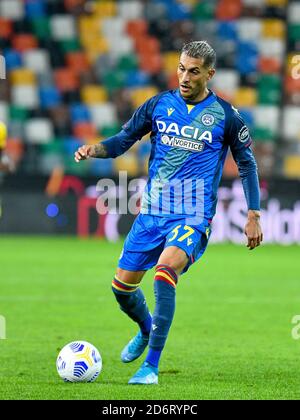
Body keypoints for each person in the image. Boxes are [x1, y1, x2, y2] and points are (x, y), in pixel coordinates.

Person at [74, 41, 263, 385]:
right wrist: (94, 149)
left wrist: (254, 214)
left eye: (193, 71)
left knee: (164, 273)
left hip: (193, 215)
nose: (185, 77)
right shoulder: (159, 105)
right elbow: (123, 140)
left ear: (210, 73)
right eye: (181, 68)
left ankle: (151, 367)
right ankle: (146, 329)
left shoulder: (227, 116)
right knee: (121, 288)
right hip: (152, 213)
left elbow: (247, 165)